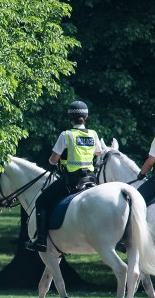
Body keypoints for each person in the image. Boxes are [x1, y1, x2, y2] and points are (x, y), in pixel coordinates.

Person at [25, 100, 102, 252]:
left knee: (41, 201)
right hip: (91, 178)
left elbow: (53, 160)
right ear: (85, 118)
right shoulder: (93, 134)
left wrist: (59, 160)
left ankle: (40, 241)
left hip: (72, 181)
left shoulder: (66, 135)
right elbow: (99, 152)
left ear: (71, 118)